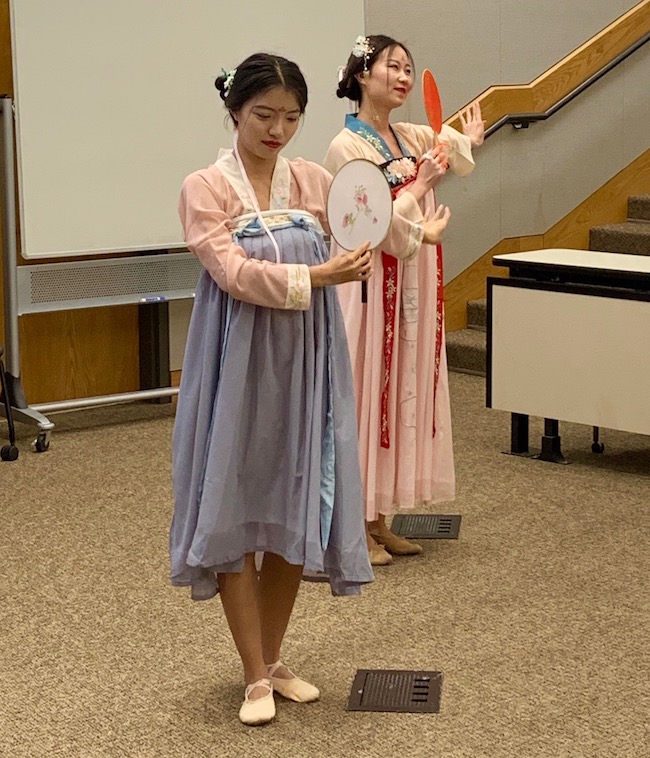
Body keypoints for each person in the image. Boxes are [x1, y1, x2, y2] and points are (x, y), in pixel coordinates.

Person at [169, 52, 451, 726]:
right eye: (264, 115)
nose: (278, 129)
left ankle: (269, 661)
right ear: (235, 111)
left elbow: (367, 220)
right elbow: (232, 270)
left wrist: (413, 220)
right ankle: (252, 675)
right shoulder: (205, 187)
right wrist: (319, 278)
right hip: (237, 363)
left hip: (306, 363)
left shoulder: (311, 177)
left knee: (298, 503)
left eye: (291, 117)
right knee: (237, 503)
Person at [323, 35, 485, 566]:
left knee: (401, 393)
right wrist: (421, 186)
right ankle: (353, 524)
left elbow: (452, 155)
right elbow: (364, 224)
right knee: (368, 394)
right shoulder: (346, 147)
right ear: (362, 74)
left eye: (408, 69)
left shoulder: (409, 134)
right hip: (369, 287)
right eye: (392, 66)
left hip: (411, 282)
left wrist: (468, 142)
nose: (403, 77)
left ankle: (380, 517)